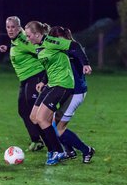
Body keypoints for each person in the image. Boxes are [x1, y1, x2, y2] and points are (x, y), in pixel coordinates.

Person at [25, 21, 94, 165]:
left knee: (57, 127)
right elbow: (51, 66)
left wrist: (86, 63)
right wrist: (43, 81)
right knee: (39, 119)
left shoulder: (69, 49)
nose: (56, 41)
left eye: (29, 35)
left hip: (75, 91)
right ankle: (64, 150)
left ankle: (83, 150)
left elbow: (75, 49)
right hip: (56, 86)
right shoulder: (43, 47)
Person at [47, 26, 95, 163]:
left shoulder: (73, 49)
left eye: (59, 40)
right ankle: (69, 151)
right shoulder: (55, 51)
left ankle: (87, 150)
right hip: (65, 91)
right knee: (54, 124)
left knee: (59, 129)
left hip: (76, 93)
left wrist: (85, 64)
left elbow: (78, 49)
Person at [0, 16, 45, 151]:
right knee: (23, 110)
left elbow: (39, 50)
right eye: (8, 27)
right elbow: (21, 50)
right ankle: (37, 140)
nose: (10, 30)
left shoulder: (25, 39)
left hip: (35, 76)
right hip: (25, 79)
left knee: (35, 111)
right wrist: (8, 48)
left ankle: (50, 139)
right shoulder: (16, 40)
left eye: (13, 27)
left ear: (19, 27)